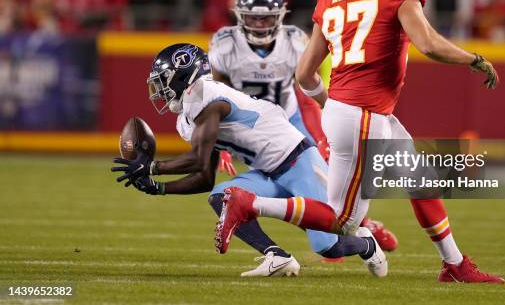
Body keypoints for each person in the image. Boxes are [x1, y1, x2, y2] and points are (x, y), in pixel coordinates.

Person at [215, 0, 505, 283]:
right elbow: (427, 43)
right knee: (343, 221)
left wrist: (331, 105)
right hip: (364, 115)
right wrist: (474, 59)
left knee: (420, 180)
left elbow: (304, 75)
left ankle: (455, 264)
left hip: (355, 111)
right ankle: (248, 203)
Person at [111, 43, 387, 278]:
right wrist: (159, 187)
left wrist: (151, 167)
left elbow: (196, 159)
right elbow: (205, 178)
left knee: (328, 246)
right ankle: (276, 256)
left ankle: (365, 244)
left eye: (163, 80)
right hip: (267, 171)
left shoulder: (207, 97)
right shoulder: (188, 118)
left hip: (298, 161)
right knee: (222, 197)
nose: (158, 89)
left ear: (184, 75)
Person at [208, 0, 398, 257]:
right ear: (240, 16)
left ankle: (359, 227)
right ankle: (349, 231)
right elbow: (217, 95)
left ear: (280, 16)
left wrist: (320, 133)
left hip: (290, 122)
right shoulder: (226, 45)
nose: (260, 25)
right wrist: (222, 144)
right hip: (250, 129)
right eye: (253, 17)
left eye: (267, 18)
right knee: (295, 186)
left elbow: (308, 87)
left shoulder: (295, 41)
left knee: (320, 182)